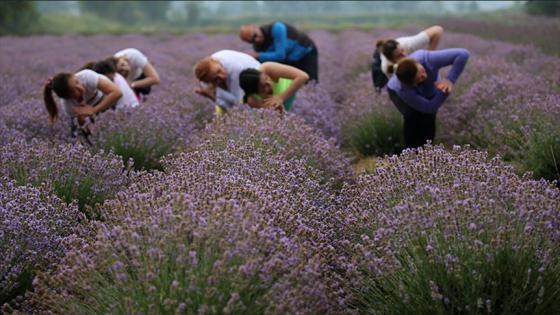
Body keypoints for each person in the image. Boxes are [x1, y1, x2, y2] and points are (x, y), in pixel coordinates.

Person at [386, 48, 470, 149]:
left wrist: (449, 80)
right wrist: (444, 92)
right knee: (412, 117)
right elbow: (429, 107)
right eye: (420, 78)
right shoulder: (402, 89)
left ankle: (425, 152)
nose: (425, 76)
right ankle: (411, 153)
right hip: (395, 93)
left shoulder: (426, 59)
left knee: (428, 121)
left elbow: (463, 54)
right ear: (413, 84)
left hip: (426, 89)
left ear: (418, 64)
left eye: (423, 71)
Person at [43, 69, 122, 142]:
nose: (80, 87)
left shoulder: (86, 76)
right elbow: (85, 127)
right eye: (74, 90)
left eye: (77, 82)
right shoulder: (68, 106)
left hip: (104, 99)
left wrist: (94, 110)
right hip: (87, 112)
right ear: (68, 97)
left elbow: (117, 93)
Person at [239, 21, 318, 82]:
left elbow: (280, 55)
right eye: (251, 41)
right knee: (288, 84)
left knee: (310, 82)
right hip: (289, 59)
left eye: (255, 35)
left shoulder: (276, 28)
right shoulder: (257, 47)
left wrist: (258, 55)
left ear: (255, 27)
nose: (256, 40)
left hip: (306, 52)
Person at [193, 50, 260, 115]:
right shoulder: (206, 81)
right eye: (216, 79)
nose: (222, 76)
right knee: (219, 113)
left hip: (258, 82)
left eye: (219, 71)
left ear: (219, 63)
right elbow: (225, 104)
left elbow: (240, 105)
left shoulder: (234, 68)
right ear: (208, 82)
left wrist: (212, 96)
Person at [239, 62, 309, 113]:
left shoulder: (267, 68)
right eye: (264, 86)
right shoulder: (252, 99)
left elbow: (303, 76)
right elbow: (277, 118)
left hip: (289, 90)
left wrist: (281, 98)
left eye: (267, 78)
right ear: (256, 91)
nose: (269, 83)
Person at [377, 25, 444, 78]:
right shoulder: (388, 68)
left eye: (402, 50)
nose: (404, 54)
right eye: (399, 55)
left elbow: (437, 30)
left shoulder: (408, 44)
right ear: (392, 60)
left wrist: (428, 56)